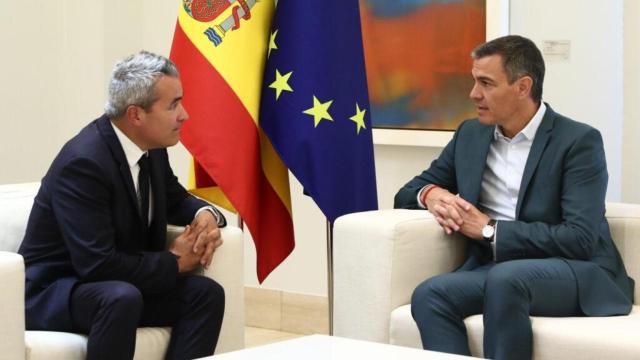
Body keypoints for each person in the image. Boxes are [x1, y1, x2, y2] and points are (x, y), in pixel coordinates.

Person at [394, 35, 634, 359]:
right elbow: (407, 192)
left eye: (486, 83)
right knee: (430, 294)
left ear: (522, 87)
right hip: (501, 271)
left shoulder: (578, 141)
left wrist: (490, 230)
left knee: (506, 279)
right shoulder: (470, 134)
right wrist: (432, 194)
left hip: (576, 270)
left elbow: (580, 238)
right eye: (474, 81)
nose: (473, 94)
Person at [18, 51, 227, 360]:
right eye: (173, 105)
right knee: (120, 298)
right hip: (57, 290)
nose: (184, 115)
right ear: (136, 115)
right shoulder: (84, 163)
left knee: (205, 294)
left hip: (114, 286)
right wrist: (173, 263)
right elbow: (97, 264)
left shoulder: (151, 149)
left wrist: (206, 215)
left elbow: (176, 199)